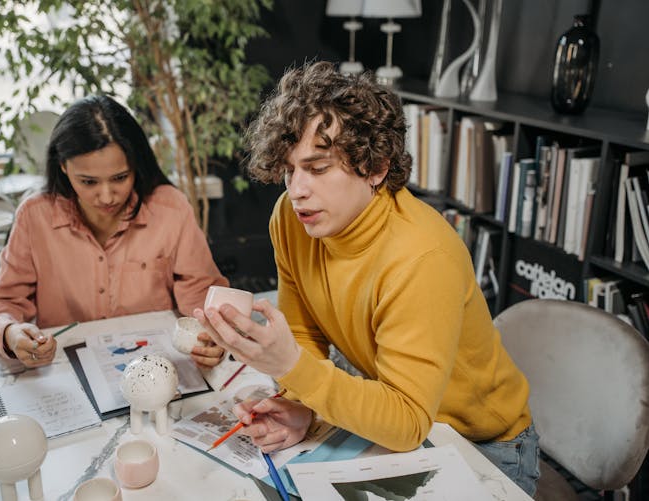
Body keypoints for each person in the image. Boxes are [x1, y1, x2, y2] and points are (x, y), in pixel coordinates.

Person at [195, 62, 540, 496]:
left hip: (483, 444)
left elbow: (408, 422)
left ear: (376, 167)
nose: (296, 189)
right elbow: (303, 332)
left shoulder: (422, 256)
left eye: (318, 168)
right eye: (289, 169)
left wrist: (290, 368)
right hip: (391, 415)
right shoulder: (291, 218)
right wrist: (299, 403)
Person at [0, 95, 228, 369]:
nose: (107, 197)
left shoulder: (170, 208)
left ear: (136, 165)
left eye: (120, 178)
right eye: (88, 182)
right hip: (67, 371)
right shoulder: (35, 216)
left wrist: (214, 333)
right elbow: (0, 306)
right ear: (63, 166)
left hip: (156, 366)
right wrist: (10, 333)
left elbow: (202, 294)